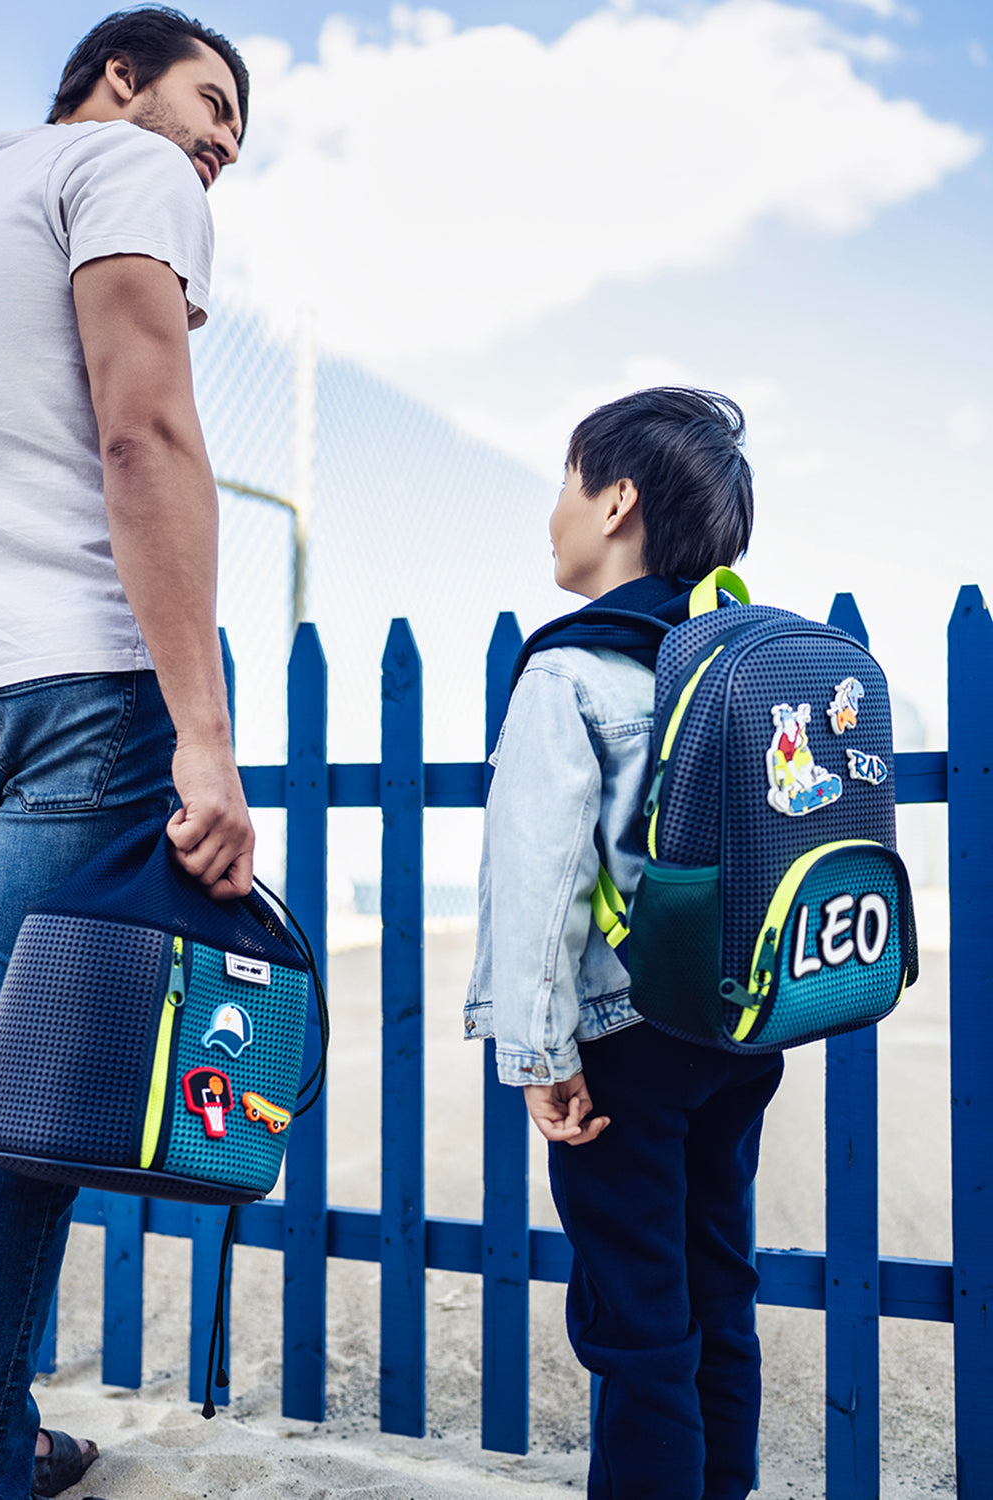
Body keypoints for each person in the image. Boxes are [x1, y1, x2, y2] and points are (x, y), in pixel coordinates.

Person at [0, 9, 254, 1497]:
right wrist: (203, 737)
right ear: (119, 80)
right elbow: (144, 433)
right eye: (211, 105)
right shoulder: (127, 168)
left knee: (4, 1084)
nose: (220, 148)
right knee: (27, 1119)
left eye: (234, 138)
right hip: (80, 684)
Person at [464, 387, 783, 1500]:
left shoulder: (570, 674)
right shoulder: (733, 668)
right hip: (738, 1030)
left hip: (623, 1049)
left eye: (566, 483)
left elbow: (544, 885)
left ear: (616, 503)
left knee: (639, 1317)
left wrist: (538, 1054)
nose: (552, 511)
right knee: (718, 1288)